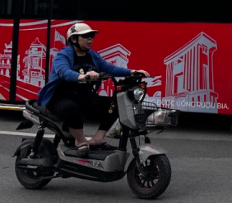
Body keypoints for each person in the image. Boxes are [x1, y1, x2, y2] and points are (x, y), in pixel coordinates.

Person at [36, 23, 149, 152]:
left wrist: (133, 71)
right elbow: (64, 71)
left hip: (83, 97)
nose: (90, 39)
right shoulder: (63, 55)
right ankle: (81, 141)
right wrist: (82, 76)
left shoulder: (92, 55)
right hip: (59, 98)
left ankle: (98, 138)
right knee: (71, 108)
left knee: (115, 103)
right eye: (85, 36)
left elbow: (109, 68)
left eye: (91, 36)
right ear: (74, 39)